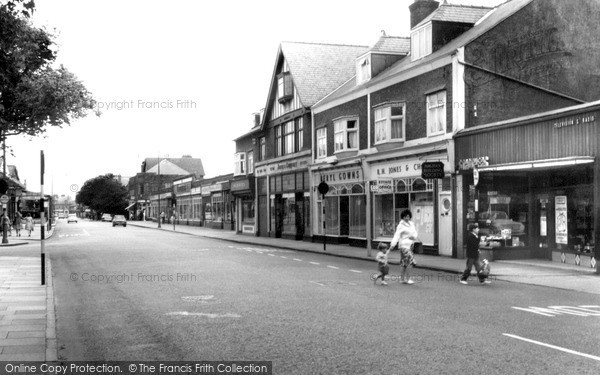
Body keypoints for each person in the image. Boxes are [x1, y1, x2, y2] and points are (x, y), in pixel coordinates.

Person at [390, 209, 418, 285]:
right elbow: (396, 236)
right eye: (405, 217)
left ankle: (402, 279)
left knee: (404, 263)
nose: (407, 218)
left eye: (408, 216)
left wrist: (414, 237)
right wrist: (393, 244)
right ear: (402, 217)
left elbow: (415, 233)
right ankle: (408, 279)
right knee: (410, 262)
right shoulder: (400, 225)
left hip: (410, 245)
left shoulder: (412, 224)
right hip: (404, 246)